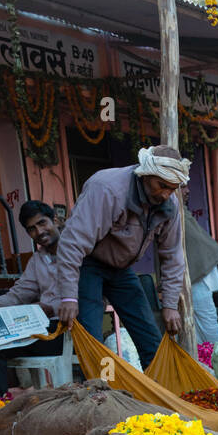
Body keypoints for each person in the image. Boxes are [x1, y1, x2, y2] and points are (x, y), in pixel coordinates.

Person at [56, 145, 189, 368]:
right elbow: (72, 243)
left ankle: (159, 393)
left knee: (149, 336)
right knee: (91, 339)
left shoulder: (170, 203)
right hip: (88, 264)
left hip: (121, 268)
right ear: (146, 174)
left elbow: (172, 255)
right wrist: (69, 296)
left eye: (173, 188)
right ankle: (99, 396)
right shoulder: (107, 189)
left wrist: (170, 305)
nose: (166, 194)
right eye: (162, 186)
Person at [0, 199, 65, 397]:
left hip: (64, 329)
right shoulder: (37, 260)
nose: (39, 232)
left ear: (55, 220)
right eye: (31, 229)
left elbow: (86, 294)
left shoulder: (76, 251)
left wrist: (52, 307)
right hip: (39, 328)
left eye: (42, 223)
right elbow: (17, 296)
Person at [183, 199, 218, 346]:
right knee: (204, 322)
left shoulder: (182, 212)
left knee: (204, 322)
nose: (187, 191)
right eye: (183, 187)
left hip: (199, 277)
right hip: (193, 278)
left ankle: (207, 358)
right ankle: (209, 358)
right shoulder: (174, 212)